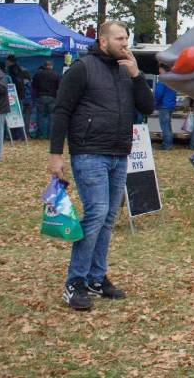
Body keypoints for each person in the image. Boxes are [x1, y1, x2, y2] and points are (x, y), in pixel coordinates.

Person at [48, 20, 155, 311]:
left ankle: (96, 277)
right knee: (96, 214)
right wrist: (55, 155)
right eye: (119, 38)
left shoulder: (126, 70)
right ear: (103, 41)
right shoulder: (82, 68)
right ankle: (75, 282)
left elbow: (148, 107)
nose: (125, 43)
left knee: (107, 217)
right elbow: (61, 111)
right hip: (89, 152)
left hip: (119, 153)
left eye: (126, 38)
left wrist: (137, 75)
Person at [32, 60, 60, 139]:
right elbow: (59, 86)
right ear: (51, 66)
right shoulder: (56, 74)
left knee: (40, 115)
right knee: (51, 116)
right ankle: (50, 135)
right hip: (52, 97)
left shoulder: (38, 74)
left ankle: (40, 134)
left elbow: (33, 85)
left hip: (41, 96)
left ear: (44, 66)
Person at [153, 65, 177, 151]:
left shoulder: (163, 79)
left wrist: (154, 103)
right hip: (170, 105)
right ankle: (169, 144)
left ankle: (167, 145)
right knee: (168, 126)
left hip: (163, 106)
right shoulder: (172, 79)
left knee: (165, 127)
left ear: (162, 69)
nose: (158, 70)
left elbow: (158, 93)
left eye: (159, 68)